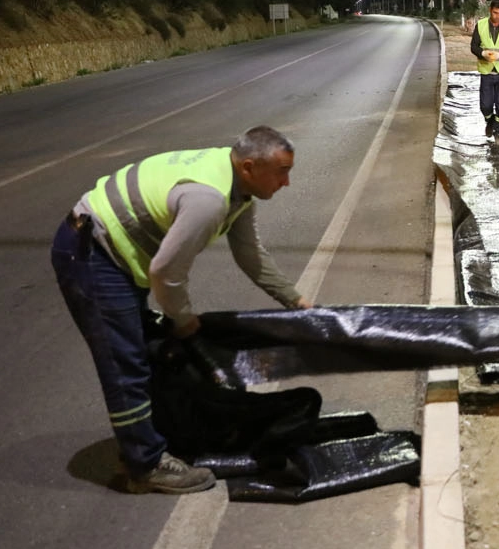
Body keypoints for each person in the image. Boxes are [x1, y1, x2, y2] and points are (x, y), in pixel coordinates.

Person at [51, 126, 313, 493]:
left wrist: (296, 301)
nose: (286, 182)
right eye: (282, 171)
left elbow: (250, 254)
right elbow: (166, 273)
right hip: (92, 253)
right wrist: (183, 319)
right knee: (125, 362)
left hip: (107, 249)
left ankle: (147, 442)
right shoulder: (209, 199)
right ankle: (145, 466)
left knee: (142, 351)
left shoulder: (237, 187)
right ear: (250, 167)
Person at [471, 0, 499, 141]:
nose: (498, 16)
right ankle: (490, 120)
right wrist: (482, 53)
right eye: (495, 13)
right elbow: (474, 46)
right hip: (487, 71)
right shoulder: (481, 25)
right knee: (485, 106)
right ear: (490, 10)